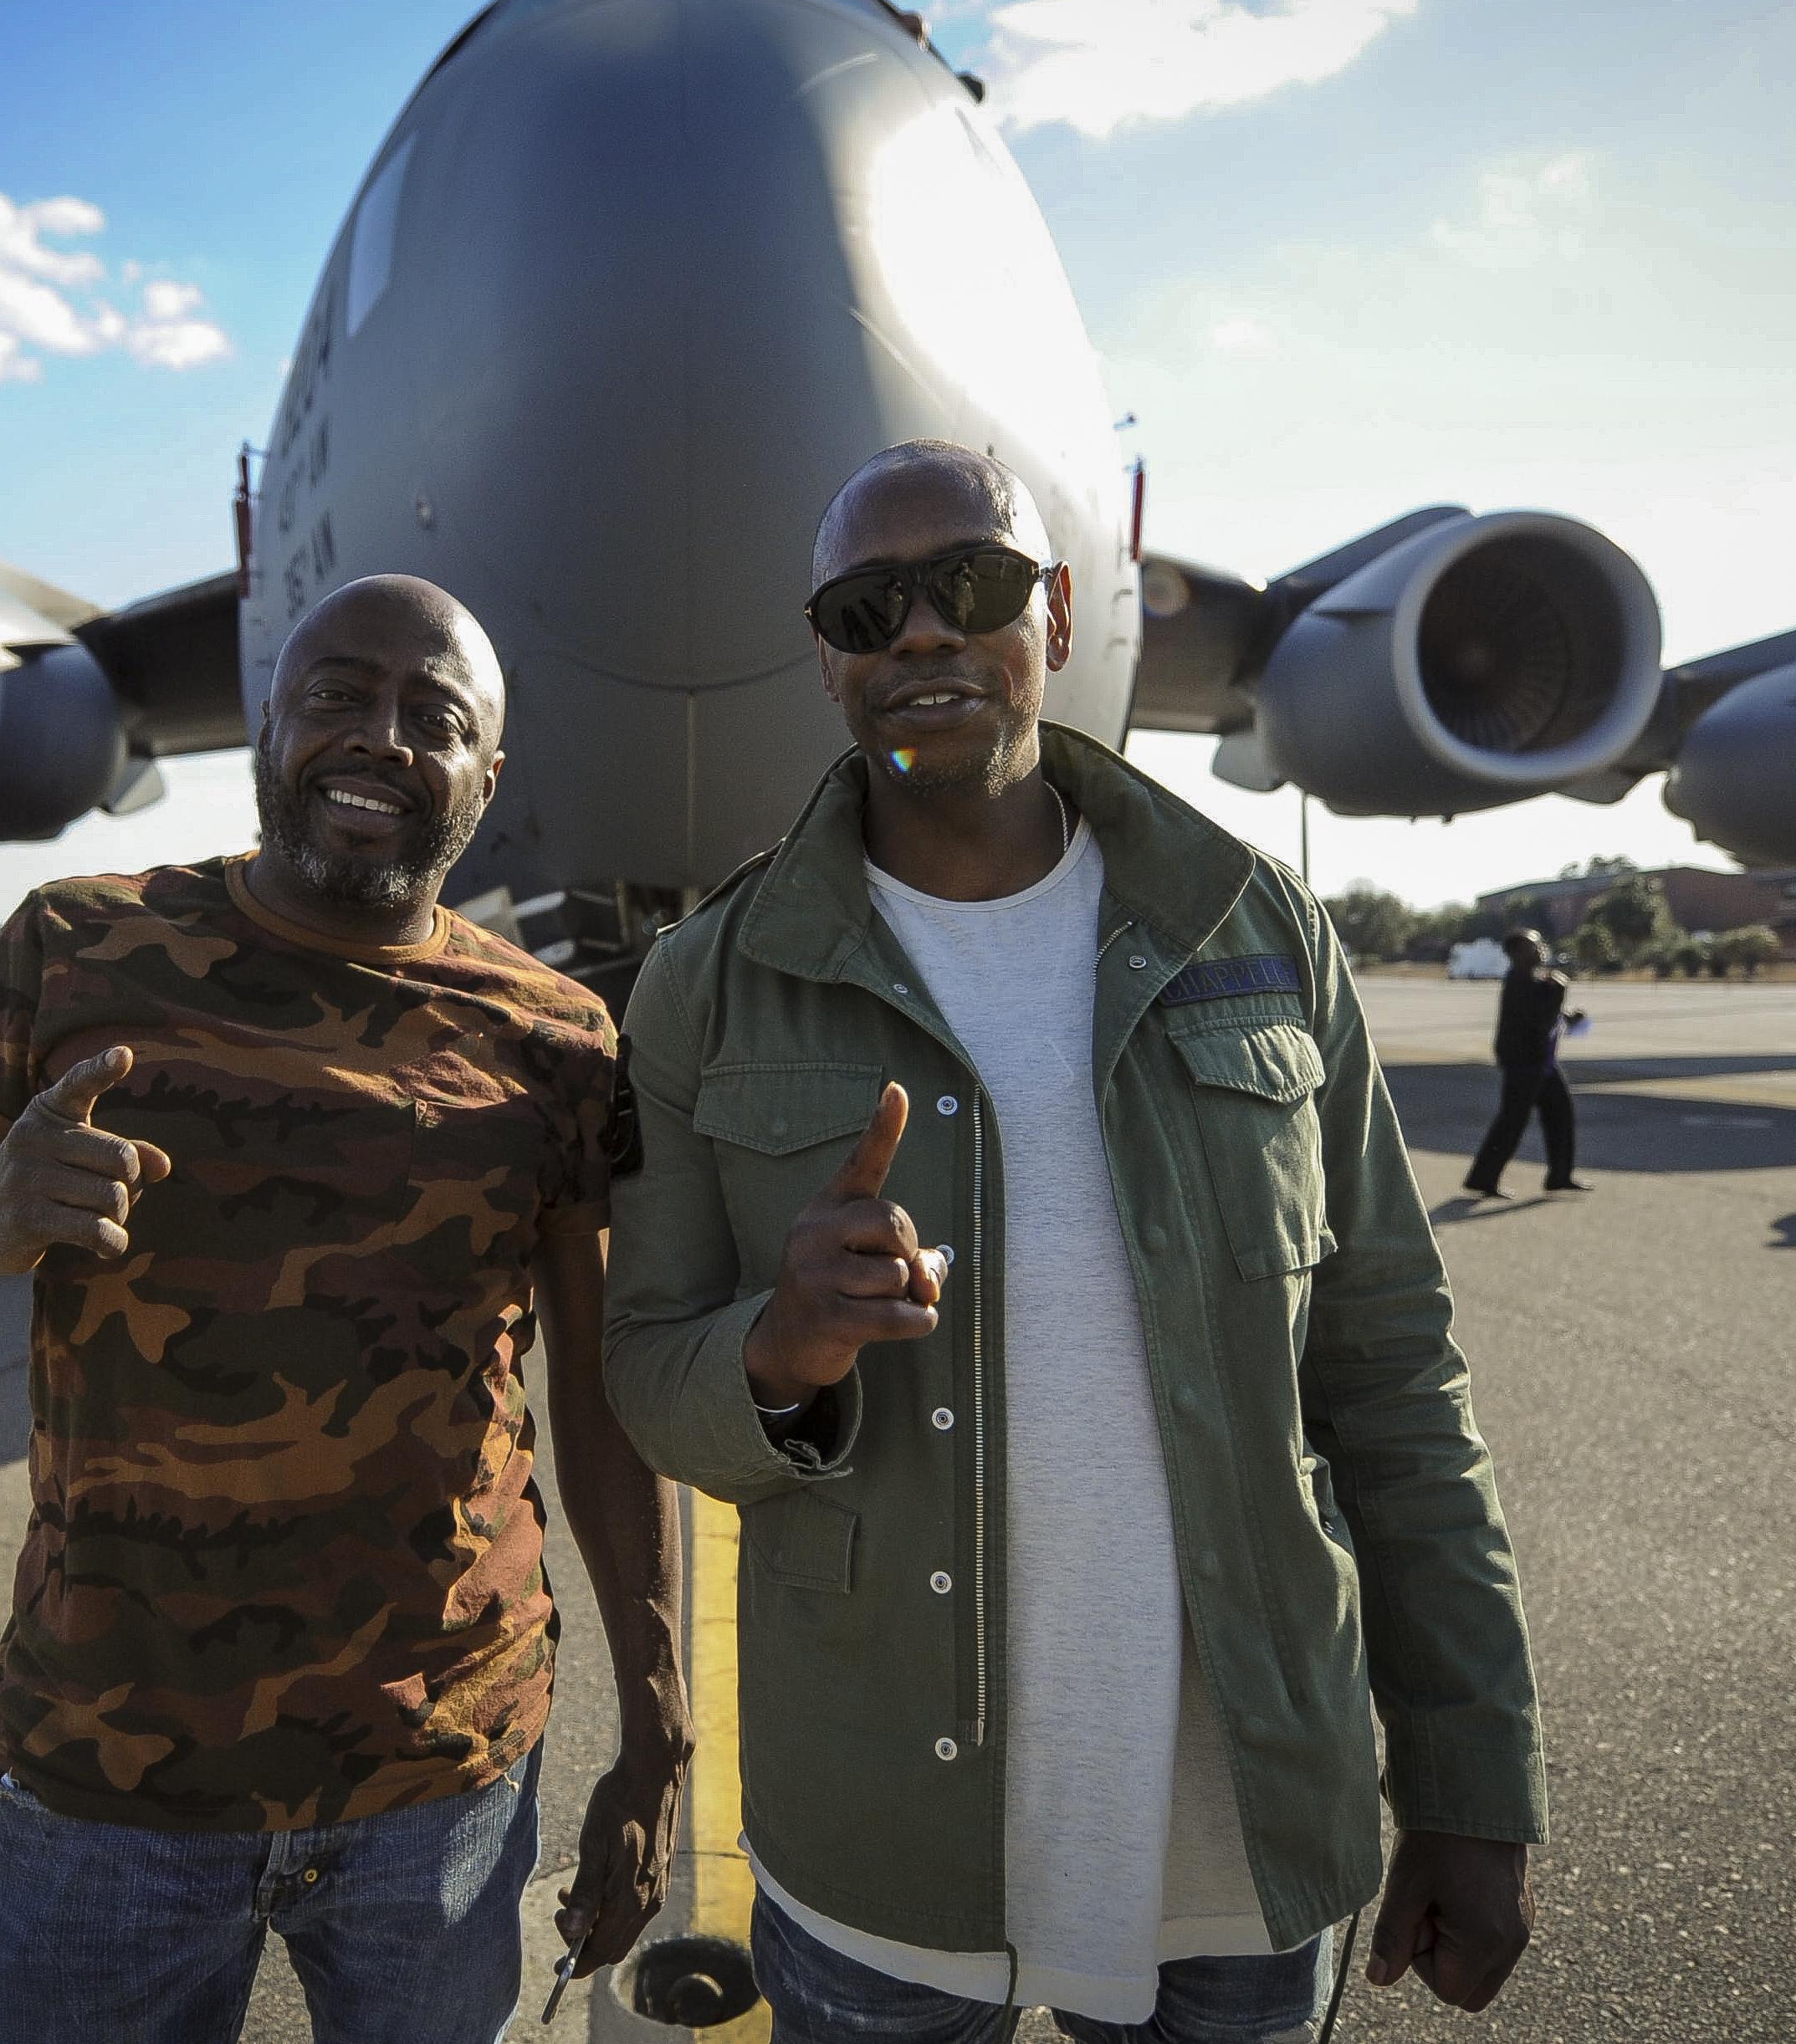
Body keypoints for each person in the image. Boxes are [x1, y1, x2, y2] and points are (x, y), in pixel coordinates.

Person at [602, 442, 1544, 2042]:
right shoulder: (709, 981)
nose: (920, 637)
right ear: (825, 657)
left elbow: (1394, 1377)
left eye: (967, 586)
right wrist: (776, 1356)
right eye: (868, 606)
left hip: (1235, 1833)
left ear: (1049, 608)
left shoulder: (1254, 930)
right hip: (883, 1853)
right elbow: (646, 1369)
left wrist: (1470, 1776)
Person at [0, 576, 689, 2044]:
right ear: (269, 723)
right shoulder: (75, 951)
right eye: (339, 697)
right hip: (107, 1788)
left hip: (440, 1785)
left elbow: (608, 1397)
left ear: (485, 781)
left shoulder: (558, 1039)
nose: (382, 739)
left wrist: (660, 1730)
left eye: (436, 720)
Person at [1461, 930, 1586, 1198]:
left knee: (1561, 1114)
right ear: (1517, 953)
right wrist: (1559, 991)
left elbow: (1544, 1013)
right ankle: (1483, 1178)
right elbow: (1539, 1018)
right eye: (1533, 946)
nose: (1541, 949)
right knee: (1512, 1120)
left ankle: (1560, 1175)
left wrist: (1568, 1016)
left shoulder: (1529, 982)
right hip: (1524, 1063)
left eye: (1540, 943)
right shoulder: (1518, 981)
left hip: (1541, 1063)